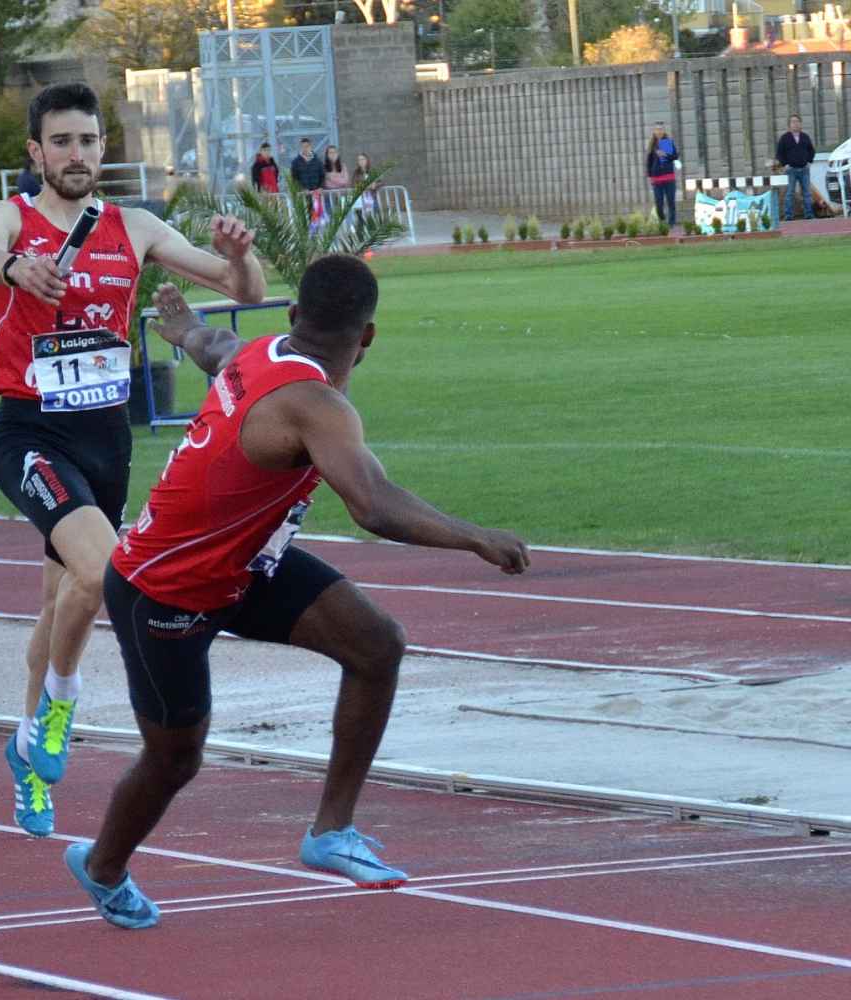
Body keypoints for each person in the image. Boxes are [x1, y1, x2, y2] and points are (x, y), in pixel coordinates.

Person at [64, 256, 531, 929]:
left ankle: (330, 832)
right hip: (164, 589)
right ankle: (103, 865)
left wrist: (186, 327)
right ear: (367, 337)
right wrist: (475, 537)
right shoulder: (318, 407)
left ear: (291, 316)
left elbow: (215, 346)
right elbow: (372, 504)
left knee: (376, 646)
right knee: (175, 758)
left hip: (247, 568)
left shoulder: (259, 352)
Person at [0, 81, 268, 839]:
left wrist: (240, 257)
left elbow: (244, 287)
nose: (76, 154)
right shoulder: (8, 216)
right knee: (103, 572)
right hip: (30, 434)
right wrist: (16, 269)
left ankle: (27, 750)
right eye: (61, 141)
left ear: (103, 149)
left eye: (88, 141)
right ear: (36, 151)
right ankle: (61, 704)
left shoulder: (132, 225)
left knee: (62, 599)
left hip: (106, 439)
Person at [776, 114, 816, 221]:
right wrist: (785, 164)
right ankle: (788, 216)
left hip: (804, 169)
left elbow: (811, 151)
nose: (795, 124)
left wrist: (809, 161)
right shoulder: (784, 138)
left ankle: (809, 214)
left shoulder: (805, 137)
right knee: (789, 193)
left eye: (797, 121)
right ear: (789, 125)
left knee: (807, 193)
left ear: (800, 124)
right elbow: (779, 153)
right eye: (793, 122)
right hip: (791, 170)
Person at [646, 122, 679, 229]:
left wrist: (665, 154)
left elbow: (675, 156)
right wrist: (650, 176)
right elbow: (649, 162)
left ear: (664, 131)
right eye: (657, 130)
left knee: (671, 201)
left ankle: (671, 223)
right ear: (654, 132)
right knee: (659, 202)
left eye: (661, 129)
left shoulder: (667, 142)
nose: (659, 132)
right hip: (656, 178)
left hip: (668, 177)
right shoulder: (652, 144)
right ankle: (662, 220)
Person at [289, 137, 327, 229]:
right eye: (303, 146)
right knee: (305, 218)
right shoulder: (295, 162)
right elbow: (294, 178)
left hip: (316, 195)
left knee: (317, 218)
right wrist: (301, 189)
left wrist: (321, 187)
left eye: (307, 146)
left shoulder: (318, 161)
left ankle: (317, 234)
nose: (305, 148)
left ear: (310, 147)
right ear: (300, 147)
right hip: (303, 196)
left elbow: (322, 176)